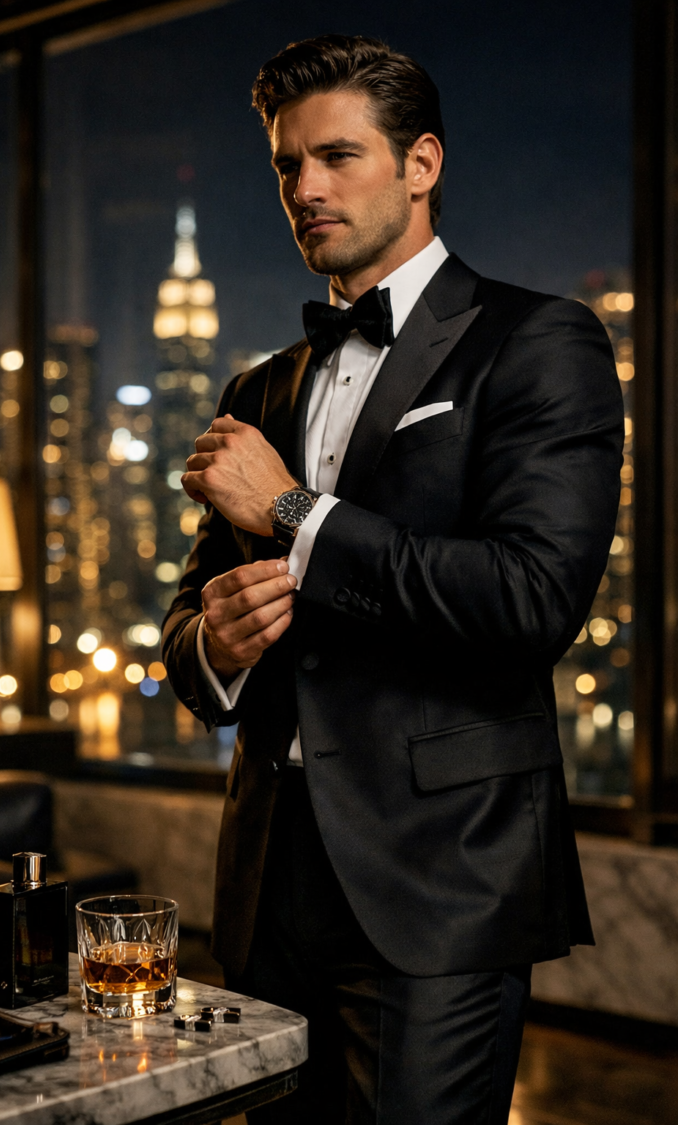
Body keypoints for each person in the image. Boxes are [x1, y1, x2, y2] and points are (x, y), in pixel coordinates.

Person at [162, 33, 623, 1124]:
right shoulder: (260, 385)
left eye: (338, 157)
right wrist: (211, 647)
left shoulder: (538, 342)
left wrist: (291, 512)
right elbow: (187, 619)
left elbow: (530, 601)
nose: (306, 189)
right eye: (286, 165)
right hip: (267, 889)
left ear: (421, 165)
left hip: (438, 890)